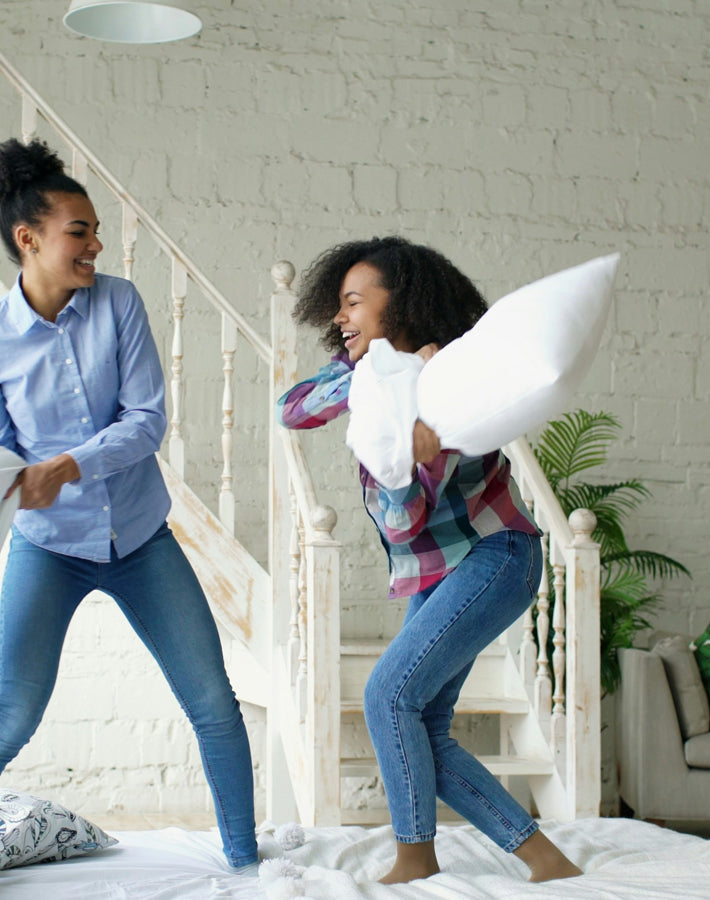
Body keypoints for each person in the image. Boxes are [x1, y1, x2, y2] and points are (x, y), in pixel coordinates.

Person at [0, 138, 256, 869]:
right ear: (30, 239)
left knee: (213, 704)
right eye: (78, 231)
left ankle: (246, 866)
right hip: (49, 547)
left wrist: (70, 463)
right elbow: (5, 465)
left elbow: (146, 422)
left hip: (141, 539)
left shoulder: (118, 301)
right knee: (10, 713)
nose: (95, 244)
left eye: (94, 231)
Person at [276, 237, 582, 883]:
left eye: (354, 302)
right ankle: (543, 858)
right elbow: (292, 410)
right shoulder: (377, 383)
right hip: (438, 570)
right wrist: (370, 374)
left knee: (389, 695)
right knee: (422, 725)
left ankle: (415, 853)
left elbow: (405, 517)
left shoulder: (452, 389)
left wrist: (415, 449)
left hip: (493, 554)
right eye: (338, 304)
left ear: (405, 302)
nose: (340, 317)